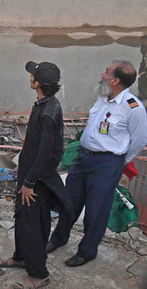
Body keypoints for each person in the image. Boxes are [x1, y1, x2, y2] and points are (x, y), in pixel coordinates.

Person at [47, 61, 147, 268]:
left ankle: (87, 251)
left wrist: (119, 161)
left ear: (115, 80)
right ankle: (59, 238)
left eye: (106, 72)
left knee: (96, 209)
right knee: (69, 201)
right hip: (84, 158)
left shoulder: (133, 107)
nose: (102, 74)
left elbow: (139, 140)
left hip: (108, 163)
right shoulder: (102, 97)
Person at [1, 62, 71, 289]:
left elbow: (46, 152)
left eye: (33, 75)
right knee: (23, 218)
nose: (30, 76)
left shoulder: (49, 112)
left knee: (32, 224)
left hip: (36, 179)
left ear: (37, 83)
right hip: (30, 173)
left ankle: (39, 274)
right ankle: (21, 257)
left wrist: (30, 183)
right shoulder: (44, 104)